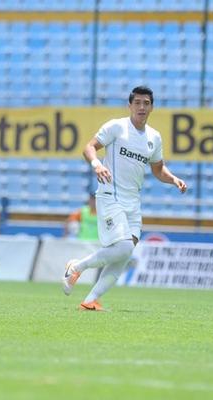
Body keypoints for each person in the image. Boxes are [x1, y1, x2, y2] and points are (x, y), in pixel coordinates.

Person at [61, 86, 187, 311]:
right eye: (137, 102)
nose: (141, 107)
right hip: (110, 195)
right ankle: (77, 266)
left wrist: (174, 179)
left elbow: (158, 170)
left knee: (124, 255)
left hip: (133, 202)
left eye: (146, 103)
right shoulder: (116, 127)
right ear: (130, 105)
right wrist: (97, 164)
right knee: (124, 248)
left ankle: (90, 300)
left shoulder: (154, 138)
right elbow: (89, 147)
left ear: (151, 107)